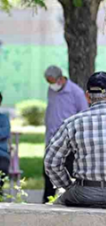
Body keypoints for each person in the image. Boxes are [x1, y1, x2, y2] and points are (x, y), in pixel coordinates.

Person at [45, 72, 106, 208]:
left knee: (55, 206)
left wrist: (68, 186)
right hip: (87, 193)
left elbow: (51, 162)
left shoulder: (73, 122)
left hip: (85, 193)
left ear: (87, 96)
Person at [43, 65, 88, 203]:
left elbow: (84, 115)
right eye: (48, 82)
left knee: (66, 172)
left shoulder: (76, 93)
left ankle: (69, 201)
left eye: (52, 81)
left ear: (61, 79)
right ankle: (47, 202)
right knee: (47, 173)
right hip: (51, 139)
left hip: (69, 142)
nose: (51, 85)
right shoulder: (51, 90)